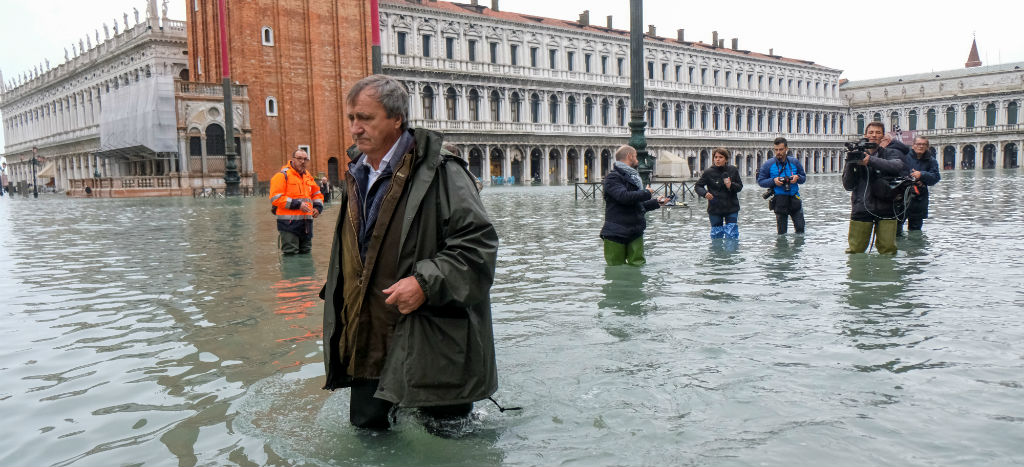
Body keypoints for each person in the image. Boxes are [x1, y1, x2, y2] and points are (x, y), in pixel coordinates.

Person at [319, 74, 499, 432]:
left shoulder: (444, 173)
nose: (355, 129)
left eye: (365, 118)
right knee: (370, 435)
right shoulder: (356, 173)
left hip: (432, 340)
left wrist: (424, 283)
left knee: (447, 442)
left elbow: (478, 246)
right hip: (367, 337)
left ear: (397, 118)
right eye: (351, 118)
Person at [842, 121, 907, 254]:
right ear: (865, 134)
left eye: (878, 132)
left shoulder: (891, 153)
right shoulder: (856, 154)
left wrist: (870, 160)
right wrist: (851, 162)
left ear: (883, 136)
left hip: (887, 208)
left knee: (888, 250)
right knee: (855, 250)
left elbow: (897, 166)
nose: (874, 135)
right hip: (861, 208)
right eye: (871, 132)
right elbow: (848, 185)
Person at [600, 145, 668, 266]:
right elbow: (624, 197)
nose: (637, 159)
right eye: (636, 156)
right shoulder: (613, 178)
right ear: (629, 156)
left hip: (635, 231)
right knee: (616, 270)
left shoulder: (634, 178)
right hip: (616, 232)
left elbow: (636, 205)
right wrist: (646, 193)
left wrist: (656, 202)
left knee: (638, 266)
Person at [269, 149, 323, 254]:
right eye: (299, 159)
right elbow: (275, 198)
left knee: (306, 252)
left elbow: (317, 193)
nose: (303, 161)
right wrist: (298, 204)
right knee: (291, 254)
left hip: (306, 224)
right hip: (288, 225)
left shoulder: (308, 177)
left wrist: (318, 207)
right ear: (293, 159)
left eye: (305, 159)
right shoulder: (281, 176)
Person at [757, 137, 807, 234]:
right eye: (776, 150)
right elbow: (760, 181)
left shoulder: (794, 162)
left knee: (800, 230)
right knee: (782, 232)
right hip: (780, 200)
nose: (778, 152)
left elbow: (803, 178)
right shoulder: (768, 164)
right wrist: (773, 181)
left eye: (781, 149)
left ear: (786, 149)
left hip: (794, 199)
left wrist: (797, 178)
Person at [694, 147, 743, 239]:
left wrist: (731, 185)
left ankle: (731, 252)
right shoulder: (708, 172)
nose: (717, 159)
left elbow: (740, 187)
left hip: (731, 207)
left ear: (726, 159)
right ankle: (718, 253)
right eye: (715, 157)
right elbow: (698, 186)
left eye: (720, 157)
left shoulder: (733, 170)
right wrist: (705, 193)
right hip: (715, 208)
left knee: (732, 234)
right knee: (716, 235)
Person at [897, 136, 941, 234]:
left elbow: (936, 178)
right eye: (918, 144)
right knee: (897, 229)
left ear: (927, 147)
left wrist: (922, 175)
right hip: (902, 199)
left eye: (924, 144)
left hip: (919, 200)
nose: (921, 146)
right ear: (913, 146)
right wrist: (910, 177)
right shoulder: (904, 157)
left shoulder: (931, 160)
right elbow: (897, 171)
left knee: (915, 232)